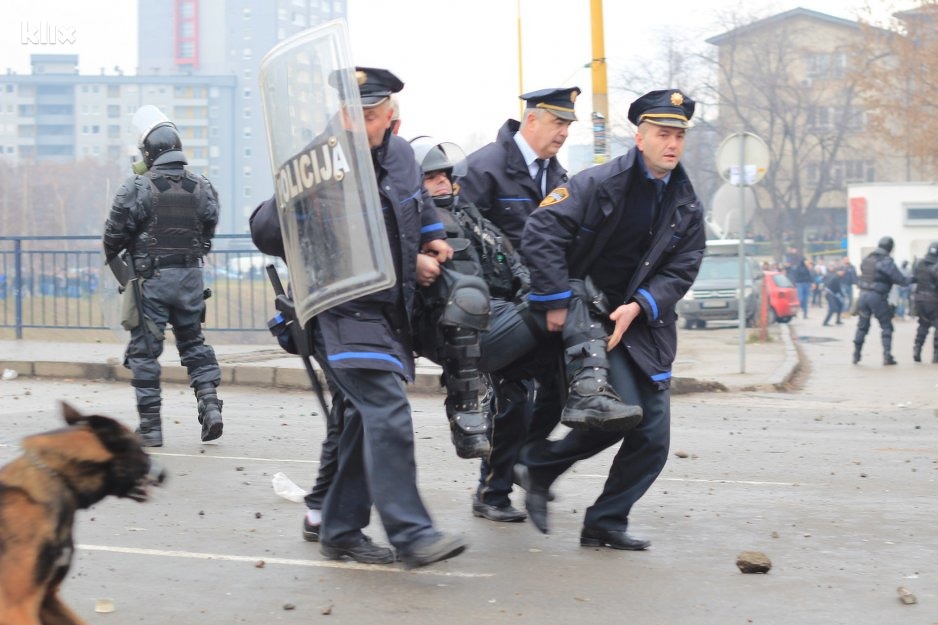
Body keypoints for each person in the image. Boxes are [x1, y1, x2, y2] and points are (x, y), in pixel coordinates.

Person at [251, 67, 466, 568]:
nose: (360, 121)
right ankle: (412, 534)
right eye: (352, 112)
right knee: (387, 410)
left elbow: (414, 209)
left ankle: (339, 528)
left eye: (371, 114)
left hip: (391, 310)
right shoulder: (316, 162)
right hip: (338, 307)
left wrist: (432, 235)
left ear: (391, 116)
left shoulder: (402, 155)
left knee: (359, 422)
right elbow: (267, 231)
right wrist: (288, 195)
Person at [514, 89, 707, 550]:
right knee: (620, 417)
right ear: (640, 137)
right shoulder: (599, 182)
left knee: (653, 438)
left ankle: (598, 517)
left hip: (643, 324)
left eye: (679, 135)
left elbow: (684, 266)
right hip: (588, 321)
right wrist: (556, 299)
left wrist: (640, 304)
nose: (673, 143)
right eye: (663, 133)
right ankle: (540, 471)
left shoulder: (686, 203)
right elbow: (541, 230)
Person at [457, 87, 581, 523]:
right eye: (558, 123)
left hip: (540, 304)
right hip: (497, 308)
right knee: (514, 398)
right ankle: (491, 492)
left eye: (568, 125)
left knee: (559, 388)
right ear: (532, 121)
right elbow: (461, 234)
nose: (564, 133)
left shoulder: (557, 175)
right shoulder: (485, 167)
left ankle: (521, 464)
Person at [102, 107, 223, 447]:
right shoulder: (203, 187)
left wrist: (128, 276)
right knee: (193, 343)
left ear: (149, 152)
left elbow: (112, 239)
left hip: (151, 284)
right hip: (190, 281)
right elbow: (208, 232)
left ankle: (151, 427)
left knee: (144, 353)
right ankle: (210, 405)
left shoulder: (136, 187)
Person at [852, 236, 909, 365]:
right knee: (886, 326)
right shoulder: (886, 261)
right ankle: (887, 356)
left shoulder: (867, 259)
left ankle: (856, 355)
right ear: (890, 247)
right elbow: (900, 279)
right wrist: (913, 279)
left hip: (863, 296)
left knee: (862, 327)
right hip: (877, 297)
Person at [911, 241, 938, 363]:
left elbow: (914, 278)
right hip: (933, 301)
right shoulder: (936, 265)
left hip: (919, 300)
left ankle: (917, 349)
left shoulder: (919, 263)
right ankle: (936, 355)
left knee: (923, 325)